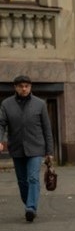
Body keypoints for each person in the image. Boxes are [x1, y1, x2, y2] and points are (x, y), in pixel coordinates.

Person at [0, 75, 54, 222]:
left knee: (33, 178)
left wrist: (49, 152)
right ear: (15, 87)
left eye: (27, 86)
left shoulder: (40, 104)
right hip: (17, 148)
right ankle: (30, 202)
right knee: (22, 181)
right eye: (21, 86)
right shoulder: (6, 104)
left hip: (36, 147)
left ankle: (30, 207)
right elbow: (1, 124)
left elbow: (47, 129)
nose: (24, 88)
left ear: (30, 87)